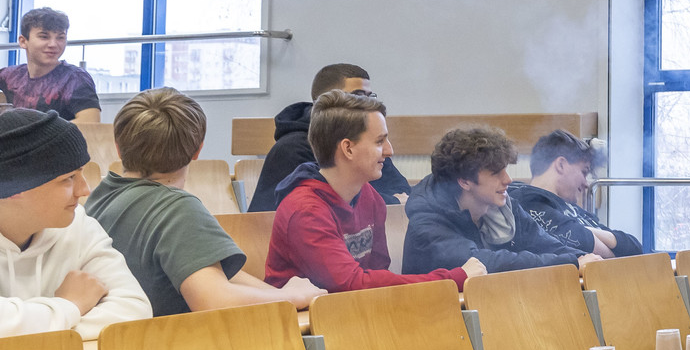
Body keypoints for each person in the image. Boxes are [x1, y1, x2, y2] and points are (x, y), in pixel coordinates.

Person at [86, 88, 326, 317]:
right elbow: (214, 299)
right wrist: (290, 297)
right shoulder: (177, 209)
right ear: (197, 151)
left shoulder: (100, 196)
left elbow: (217, 272)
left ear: (118, 148)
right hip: (171, 342)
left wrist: (277, 294)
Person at [264, 90, 482, 292]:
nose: (389, 150)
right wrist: (454, 278)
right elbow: (351, 284)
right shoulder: (305, 210)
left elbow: (378, 275)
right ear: (348, 148)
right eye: (379, 141)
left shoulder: (369, 197)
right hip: (304, 319)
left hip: (352, 311)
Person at [0, 108, 150, 338]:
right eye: (68, 178)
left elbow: (134, 311)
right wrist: (70, 305)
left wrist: (39, 328)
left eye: (81, 173)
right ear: (14, 188)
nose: (84, 190)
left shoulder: (78, 225)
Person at [402, 125, 598, 275]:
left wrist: (583, 258)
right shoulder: (427, 220)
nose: (508, 180)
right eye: (496, 173)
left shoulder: (502, 206)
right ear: (464, 181)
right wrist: (571, 263)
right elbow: (486, 263)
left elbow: (545, 244)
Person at [249, 63, 411, 211]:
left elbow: (402, 190)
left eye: (370, 97)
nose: (367, 105)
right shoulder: (293, 148)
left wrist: (393, 200)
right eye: (359, 96)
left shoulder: (365, 140)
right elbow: (328, 201)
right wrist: (392, 201)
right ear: (328, 101)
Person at [509, 129, 642, 257]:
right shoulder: (527, 201)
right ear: (561, 165)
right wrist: (611, 249)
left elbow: (634, 247)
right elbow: (583, 244)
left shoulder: (575, 210)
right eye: (584, 172)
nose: (586, 183)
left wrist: (584, 230)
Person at [0, 7, 101, 123]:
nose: (53, 44)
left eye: (60, 37)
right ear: (23, 41)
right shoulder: (11, 76)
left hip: (59, 136)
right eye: (44, 37)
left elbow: (90, 122)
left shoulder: (75, 78)